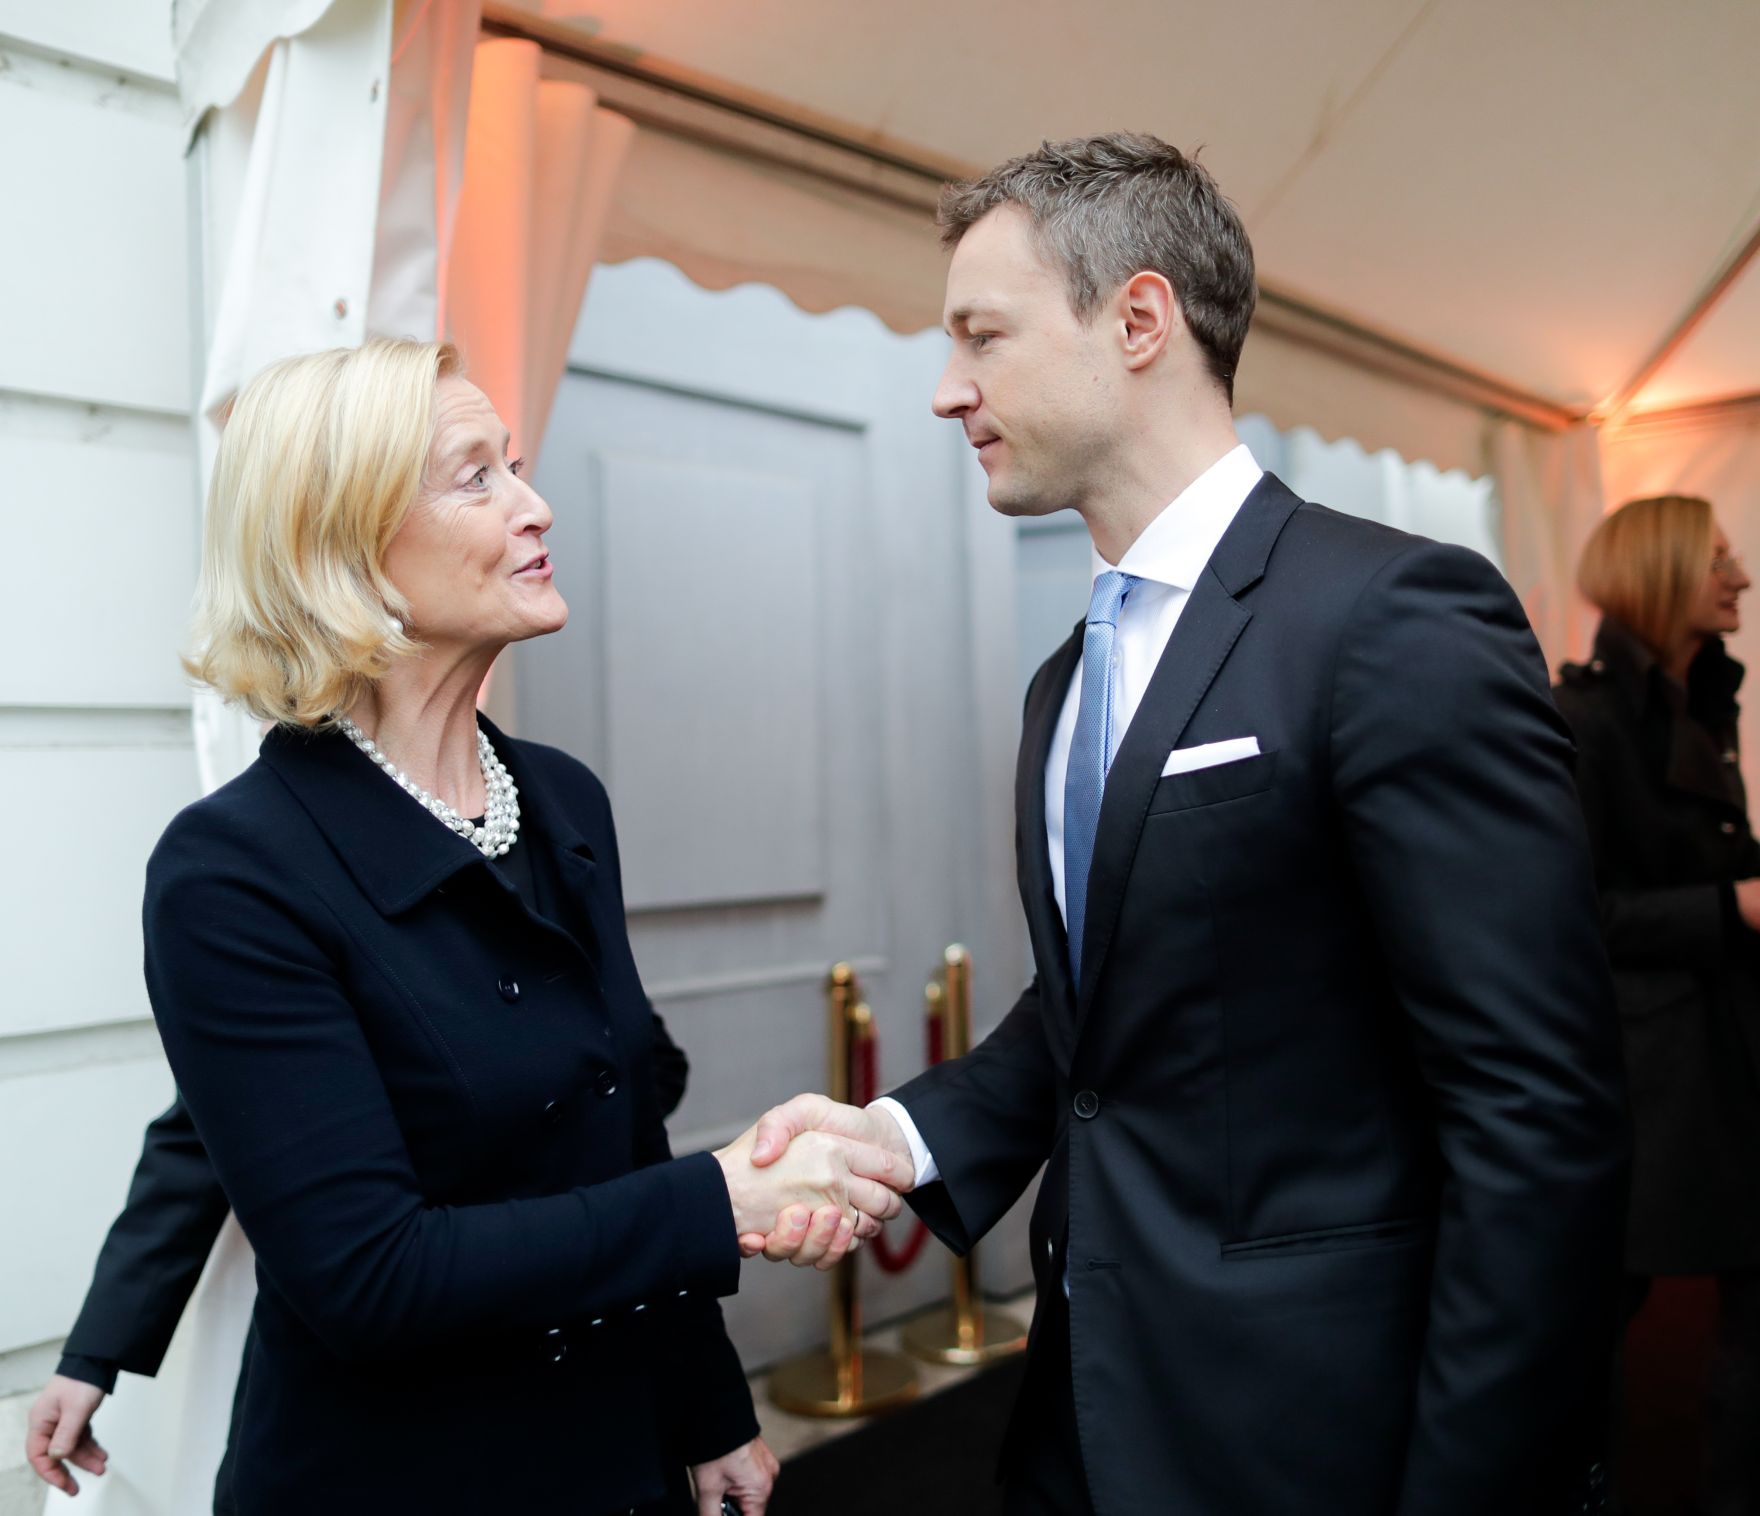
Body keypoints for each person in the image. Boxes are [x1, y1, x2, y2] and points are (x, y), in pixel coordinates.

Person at [742, 133, 1629, 1515]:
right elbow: (1098, 1017)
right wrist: (893, 1142)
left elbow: (1537, 1117)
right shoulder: (1066, 681)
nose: (946, 391)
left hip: (1324, 1441)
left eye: (983, 334)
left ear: (1140, 320)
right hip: (1086, 1424)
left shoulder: (1392, 619)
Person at [26, 338, 903, 1515]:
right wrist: (722, 1204)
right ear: (344, 547)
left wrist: (708, 1411)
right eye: (475, 477)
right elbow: (367, 1275)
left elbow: (620, 1127)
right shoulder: (232, 870)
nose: (535, 507)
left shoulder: (560, 799)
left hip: (614, 1455)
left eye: (518, 467)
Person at [26, 1012, 691, 1506]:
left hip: (546, 1345)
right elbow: (191, 1142)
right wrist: (95, 1355)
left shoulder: (538, 882)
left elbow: (650, 1063)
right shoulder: (278, 900)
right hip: (343, 1382)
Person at [1554, 494, 1760, 1515]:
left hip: (1720, 1053)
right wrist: (1731, 903)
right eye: (1718, 558)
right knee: (1619, 1321)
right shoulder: (1584, 719)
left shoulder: (1698, 698)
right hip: (1650, 1075)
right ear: (1665, 573)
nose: (1739, 578)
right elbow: (1574, 916)